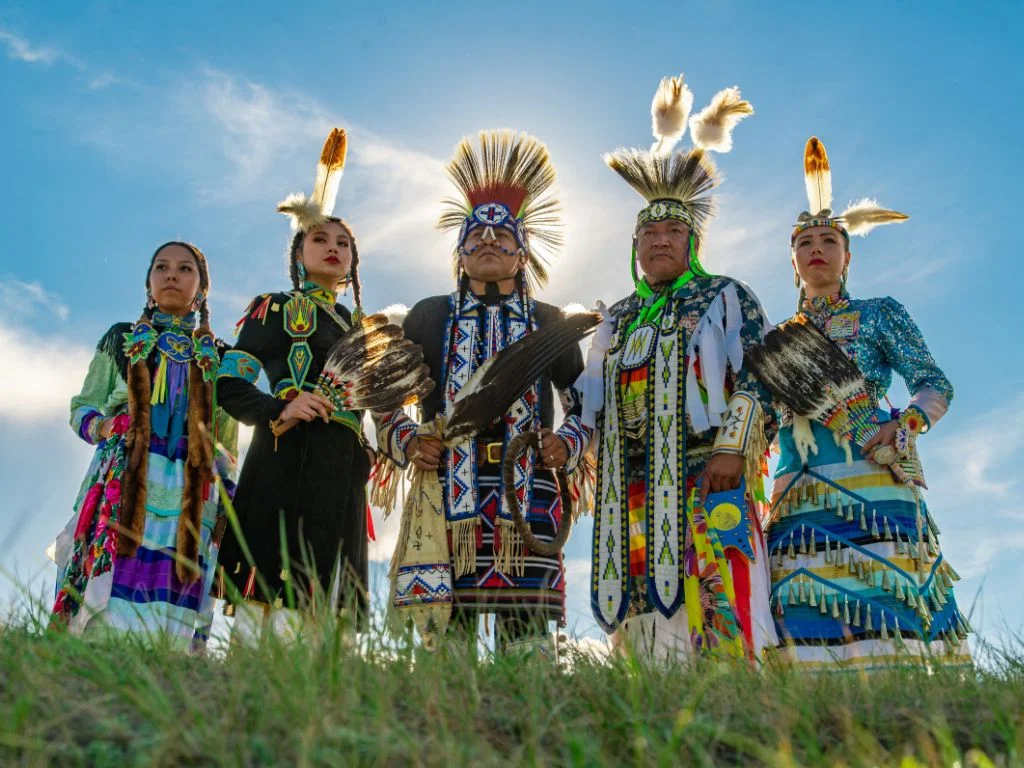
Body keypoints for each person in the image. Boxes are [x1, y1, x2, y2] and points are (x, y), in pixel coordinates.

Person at [579, 74, 778, 661]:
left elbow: (760, 375)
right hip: (630, 481)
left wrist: (732, 448)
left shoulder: (724, 296)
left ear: (693, 242)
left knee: (714, 588)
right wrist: (570, 445)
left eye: (672, 231)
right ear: (635, 246)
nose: (659, 241)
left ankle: (733, 711)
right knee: (640, 604)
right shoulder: (616, 317)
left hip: (705, 467)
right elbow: (589, 397)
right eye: (648, 233)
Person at [372, 130, 590, 656]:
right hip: (449, 484)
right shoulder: (430, 315)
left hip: (529, 486)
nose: (489, 242)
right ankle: (444, 730)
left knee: (528, 637)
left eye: (502, 237)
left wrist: (568, 444)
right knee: (447, 638)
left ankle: (528, 728)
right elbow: (384, 395)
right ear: (460, 251)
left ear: (522, 253)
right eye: (477, 237)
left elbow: (586, 404)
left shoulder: (549, 320)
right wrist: (405, 441)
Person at [761, 136, 971, 667]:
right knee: (801, 594)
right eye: (805, 241)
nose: (817, 249)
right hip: (798, 479)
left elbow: (932, 382)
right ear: (792, 259)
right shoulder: (775, 338)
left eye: (829, 241)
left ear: (847, 256)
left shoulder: (880, 313)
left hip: (872, 469)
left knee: (886, 591)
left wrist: (906, 426)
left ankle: (907, 703)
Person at [216, 128, 374, 643]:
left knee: (336, 586)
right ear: (298, 249)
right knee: (277, 576)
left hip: (344, 464)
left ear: (353, 260)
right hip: (288, 454)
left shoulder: (360, 327)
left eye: (343, 243)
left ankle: (325, 696)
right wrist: (279, 406)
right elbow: (230, 381)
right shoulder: (276, 307)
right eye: (320, 239)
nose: (333, 249)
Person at [53, 241, 237, 653]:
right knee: (113, 570)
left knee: (179, 572)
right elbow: (83, 407)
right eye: (162, 267)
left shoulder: (220, 356)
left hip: (192, 488)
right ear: (149, 283)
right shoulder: (120, 339)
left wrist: (221, 475)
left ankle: (169, 663)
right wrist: (105, 428)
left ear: (202, 288)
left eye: (185, 269)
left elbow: (227, 445)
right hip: (125, 477)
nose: (172, 275)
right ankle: (96, 658)